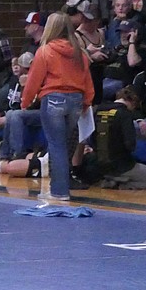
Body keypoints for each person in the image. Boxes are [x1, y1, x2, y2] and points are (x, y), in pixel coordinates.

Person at [19, 12, 94, 201]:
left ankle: (59, 191)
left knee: (57, 146)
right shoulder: (80, 53)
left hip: (53, 100)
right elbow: (88, 81)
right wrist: (87, 102)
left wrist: (25, 101)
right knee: (66, 145)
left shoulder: (45, 51)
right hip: (76, 101)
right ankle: (61, 186)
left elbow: (34, 81)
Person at [93, 86, 146, 189]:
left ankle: (112, 180)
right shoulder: (124, 114)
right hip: (122, 166)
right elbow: (130, 144)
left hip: (101, 165)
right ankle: (124, 185)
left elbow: (92, 139)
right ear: (132, 102)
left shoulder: (98, 111)